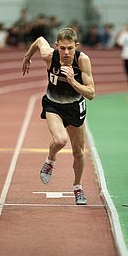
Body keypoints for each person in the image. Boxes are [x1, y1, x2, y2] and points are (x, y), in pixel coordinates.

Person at [22, 28, 95, 205]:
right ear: (57, 46)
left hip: (75, 108)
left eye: (70, 48)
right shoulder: (50, 56)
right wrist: (27, 57)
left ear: (76, 46)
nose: (66, 52)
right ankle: (50, 160)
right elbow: (39, 40)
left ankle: (77, 187)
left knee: (78, 152)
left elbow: (91, 93)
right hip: (53, 104)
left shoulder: (82, 60)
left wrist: (72, 81)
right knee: (61, 140)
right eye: (62, 48)